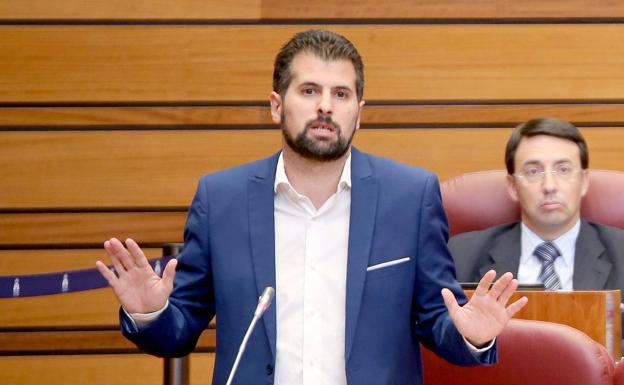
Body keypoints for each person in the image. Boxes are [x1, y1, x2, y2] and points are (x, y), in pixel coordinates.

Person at [96, 29, 527, 385]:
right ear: (276, 106)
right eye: (309, 90)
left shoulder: (410, 197)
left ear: (359, 113)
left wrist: (471, 336)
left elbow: (437, 319)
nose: (325, 105)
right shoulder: (220, 199)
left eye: (341, 94)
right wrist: (149, 313)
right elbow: (178, 332)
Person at [450, 118, 624, 293]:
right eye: (533, 172)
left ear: (584, 181)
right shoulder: (461, 256)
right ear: (512, 187)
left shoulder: (620, 251)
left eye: (563, 170)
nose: (549, 186)